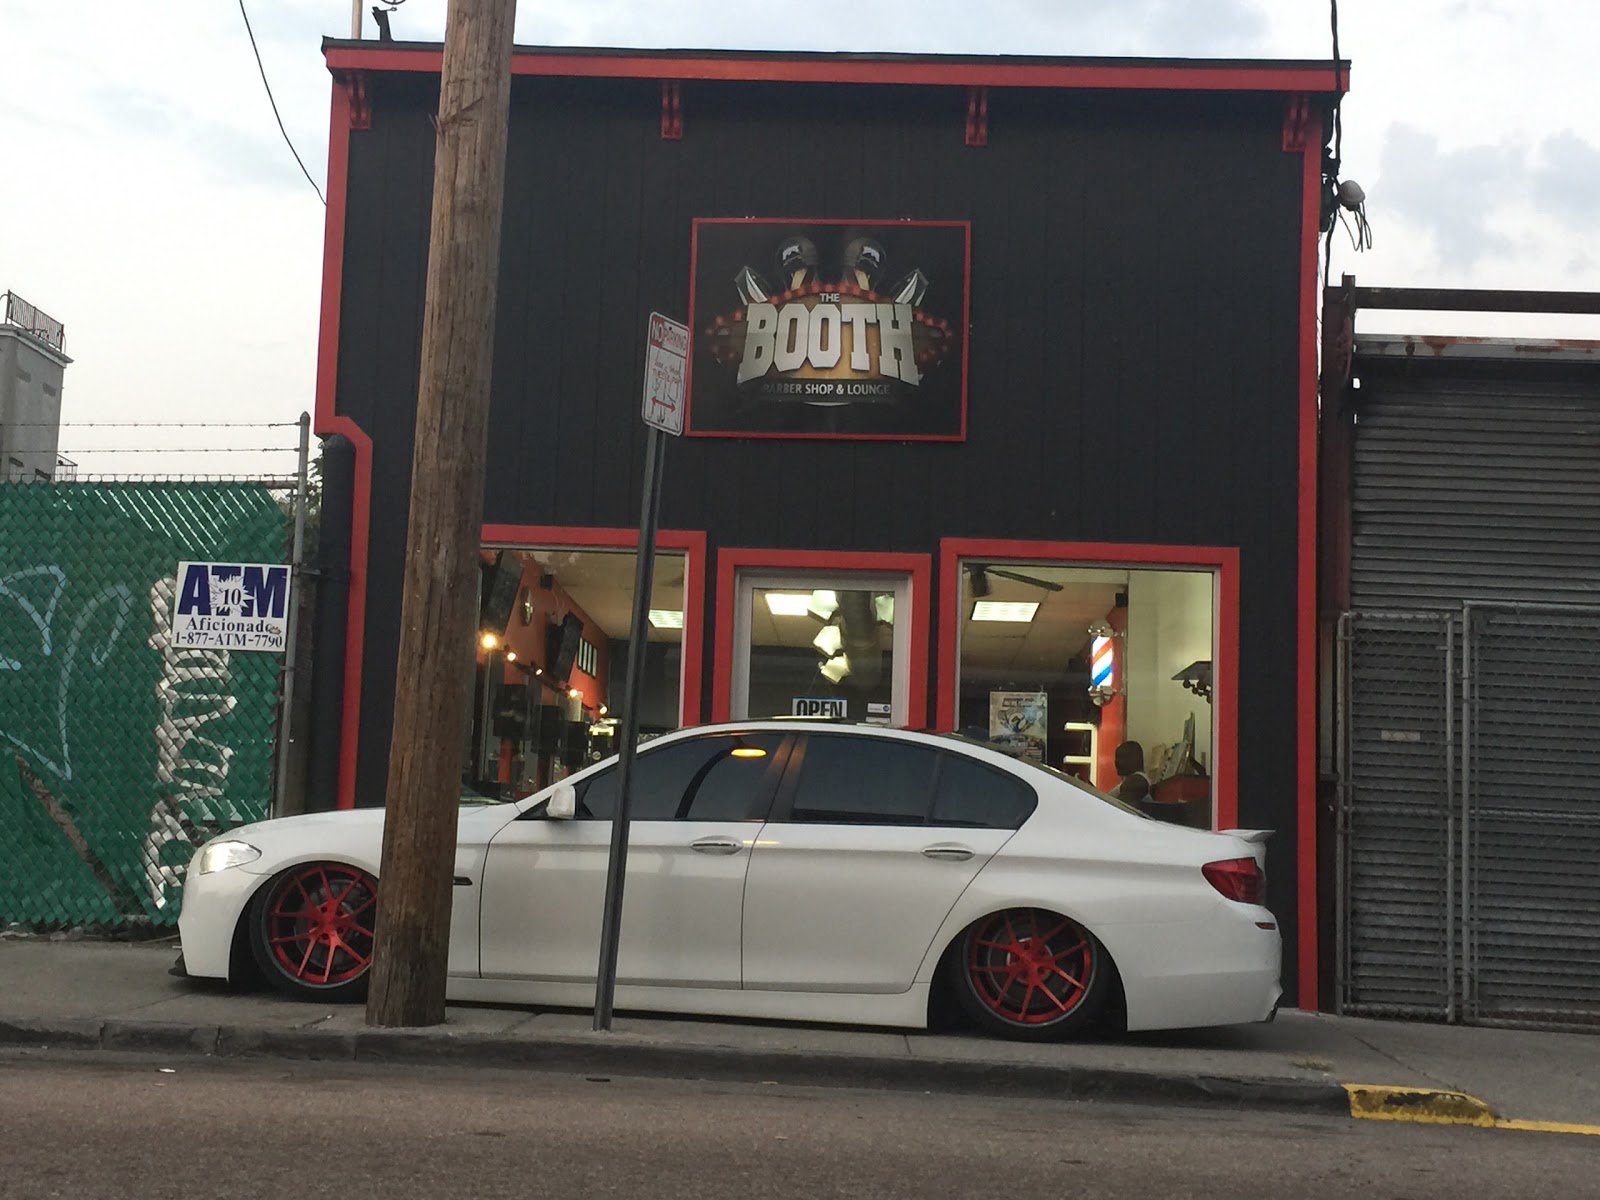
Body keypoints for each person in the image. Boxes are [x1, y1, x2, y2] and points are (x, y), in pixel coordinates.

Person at [1113, 741, 1154, 805]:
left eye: (1120, 757)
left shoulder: (1137, 781)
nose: (1116, 762)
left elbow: (1120, 808)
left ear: (1134, 759)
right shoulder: (1131, 781)